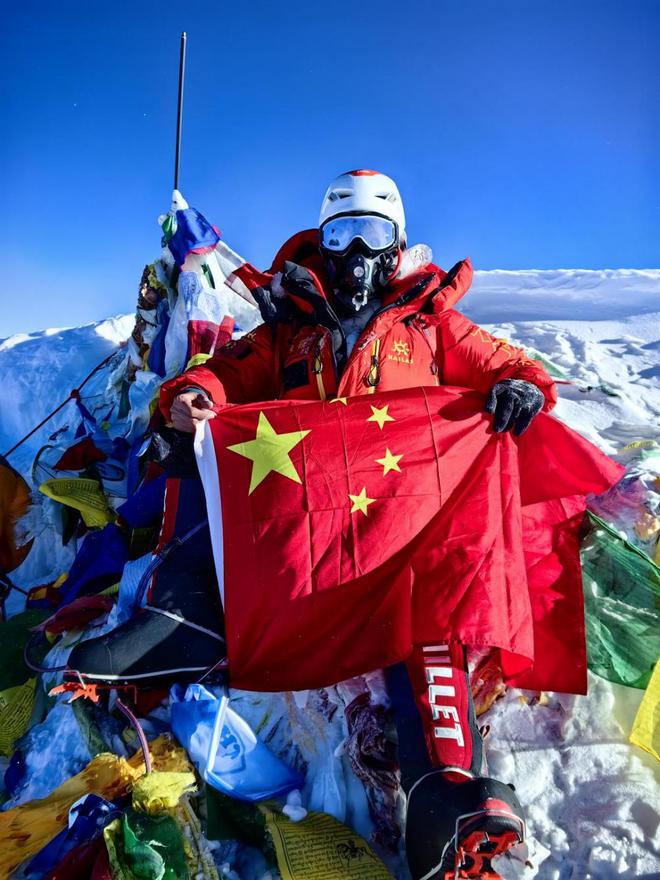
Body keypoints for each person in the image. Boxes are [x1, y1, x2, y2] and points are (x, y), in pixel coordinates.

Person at [71, 170, 555, 879]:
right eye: (340, 235)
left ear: (396, 248)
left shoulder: (429, 325)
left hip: (401, 533)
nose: (355, 253)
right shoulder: (289, 330)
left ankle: (442, 793)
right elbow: (227, 374)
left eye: (372, 235)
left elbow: (509, 366)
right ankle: (167, 639)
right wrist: (192, 396)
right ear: (322, 244)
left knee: (426, 620)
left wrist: (522, 387)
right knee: (220, 522)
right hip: (309, 523)